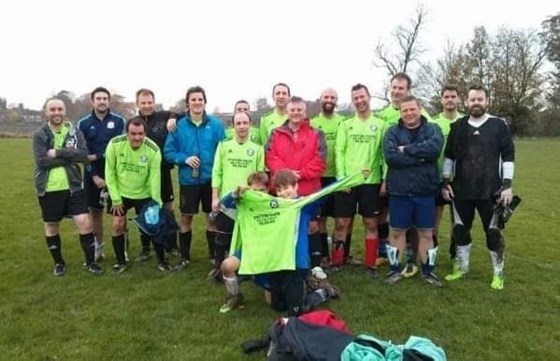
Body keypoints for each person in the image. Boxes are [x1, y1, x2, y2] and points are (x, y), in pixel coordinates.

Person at [442, 84, 515, 290]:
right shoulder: (457, 126)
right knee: (460, 230)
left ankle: (498, 273)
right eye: (473, 99)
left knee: (493, 233)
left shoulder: (498, 125)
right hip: (461, 191)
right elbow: (449, 156)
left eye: (480, 99)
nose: (476, 103)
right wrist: (446, 183)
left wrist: (507, 185)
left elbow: (509, 156)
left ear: (486, 101)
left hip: (491, 191)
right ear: (467, 102)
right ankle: (462, 268)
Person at [33, 98, 103, 276]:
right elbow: (42, 162)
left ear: (65, 111)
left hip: (74, 187)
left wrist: (58, 152)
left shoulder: (74, 132)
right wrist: (70, 157)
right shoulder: (40, 135)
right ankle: (59, 263)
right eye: (53, 109)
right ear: (46, 112)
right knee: (52, 225)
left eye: (60, 109)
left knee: (84, 223)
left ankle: (90, 262)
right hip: (49, 189)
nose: (57, 112)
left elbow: (84, 154)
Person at [383, 95, 444, 286]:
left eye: (412, 109)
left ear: (419, 109)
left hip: (425, 191)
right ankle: (394, 270)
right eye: (405, 110)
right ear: (400, 112)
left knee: (426, 233)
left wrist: (406, 149)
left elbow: (434, 150)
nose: (409, 113)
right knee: (396, 232)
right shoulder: (392, 132)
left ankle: (428, 272)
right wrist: (421, 157)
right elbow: (391, 158)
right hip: (400, 191)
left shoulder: (433, 129)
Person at [375, 73, 431, 276]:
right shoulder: (382, 116)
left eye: (401, 88)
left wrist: (406, 150)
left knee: (422, 227)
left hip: (422, 182)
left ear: (408, 91)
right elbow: (387, 154)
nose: (397, 91)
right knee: (388, 222)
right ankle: (391, 261)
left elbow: (431, 148)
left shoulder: (426, 120)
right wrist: (384, 177)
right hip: (393, 180)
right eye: (394, 87)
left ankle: (415, 262)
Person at [164, 86, 226, 270]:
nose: (197, 102)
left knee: (212, 218)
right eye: (193, 99)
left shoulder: (215, 125)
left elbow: (223, 151)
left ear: (205, 101)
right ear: (188, 103)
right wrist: (184, 159)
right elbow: (168, 152)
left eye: (200, 99)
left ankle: (214, 256)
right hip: (188, 181)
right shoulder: (178, 126)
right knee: (186, 218)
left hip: (210, 180)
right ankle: (185, 257)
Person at [333, 84, 387, 278]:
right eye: (355, 98)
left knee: (371, 223)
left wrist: (384, 179)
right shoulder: (346, 125)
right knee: (341, 223)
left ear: (369, 96)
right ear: (352, 100)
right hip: (348, 182)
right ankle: (337, 261)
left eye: (362, 96)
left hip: (370, 183)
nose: (359, 101)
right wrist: (341, 179)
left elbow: (383, 155)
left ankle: (370, 264)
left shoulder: (380, 124)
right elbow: (339, 151)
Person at [265, 96, 326, 268]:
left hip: (309, 190)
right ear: (287, 111)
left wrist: (300, 175)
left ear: (305, 112)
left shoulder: (316, 134)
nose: (296, 113)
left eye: (299, 110)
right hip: (283, 192)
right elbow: (270, 157)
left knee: (312, 226)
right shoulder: (275, 133)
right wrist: (287, 174)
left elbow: (320, 161)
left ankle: (315, 266)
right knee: (285, 227)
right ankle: (286, 262)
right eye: (293, 110)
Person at [105, 117, 164, 273]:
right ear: (127, 133)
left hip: (144, 193)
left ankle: (162, 260)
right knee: (117, 224)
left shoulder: (153, 149)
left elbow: (155, 177)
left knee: (152, 225)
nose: (137, 137)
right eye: (133, 134)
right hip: (121, 192)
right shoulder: (115, 144)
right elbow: (109, 173)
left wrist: (155, 202)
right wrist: (115, 199)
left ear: (145, 133)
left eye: (140, 134)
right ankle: (121, 261)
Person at [210, 111, 265, 276]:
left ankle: (246, 269)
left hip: (248, 201)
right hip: (228, 201)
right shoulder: (224, 146)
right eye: (238, 123)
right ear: (233, 126)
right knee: (222, 236)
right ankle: (219, 268)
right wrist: (215, 197)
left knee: (246, 237)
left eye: (245, 123)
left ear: (250, 125)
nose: (242, 127)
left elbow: (260, 177)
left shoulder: (257, 149)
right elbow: (216, 172)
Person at [77, 87, 125, 262]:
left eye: (105, 98)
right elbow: (82, 153)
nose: (102, 101)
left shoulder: (119, 121)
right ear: (93, 101)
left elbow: (119, 148)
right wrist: (94, 176)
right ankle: (99, 248)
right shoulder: (83, 123)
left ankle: (122, 248)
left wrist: (98, 155)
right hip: (92, 175)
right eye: (99, 98)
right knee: (95, 212)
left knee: (119, 212)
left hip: (117, 173)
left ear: (109, 101)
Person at [135, 88, 180, 260]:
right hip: (142, 175)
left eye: (149, 102)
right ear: (137, 104)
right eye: (143, 103)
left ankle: (172, 245)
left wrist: (173, 118)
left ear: (154, 102)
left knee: (168, 208)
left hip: (162, 172)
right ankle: (146, 248)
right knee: (144, 210)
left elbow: (181, 113)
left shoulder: (162, 116)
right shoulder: (134, 122)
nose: (147, 106)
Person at [218, 171, 270, 313]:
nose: (258, 194)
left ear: (268, 189)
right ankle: (235, 295)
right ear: (248, 189)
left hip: (270, 251)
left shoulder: (274, 203)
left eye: (262, 190)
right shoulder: (243, 202)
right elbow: (221, 206)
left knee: (271, 302)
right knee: (227, 266)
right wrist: (234, 194)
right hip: (249, 248)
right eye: (254, 190)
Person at [310, 88, 347, 266]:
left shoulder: (343, 122)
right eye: (326, 97)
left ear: (336, 100)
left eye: (332, 97)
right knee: (321, 219)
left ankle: (339, 256)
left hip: (339, 177)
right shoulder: (314, 123)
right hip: (320, 178)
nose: (329, 100)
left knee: (342, 220)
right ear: (320, 99)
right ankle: (323, 256)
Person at [431, 85, 464, 267]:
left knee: (457, 219)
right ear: (441, 99)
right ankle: (432, 252)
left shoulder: (465, 121)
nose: (450, 100)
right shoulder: (435, 123)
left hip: (459, 178)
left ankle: (455, 254)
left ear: (458, 99)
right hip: (437, 177)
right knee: (435, 217)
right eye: (446, 96)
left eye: (453, 96)